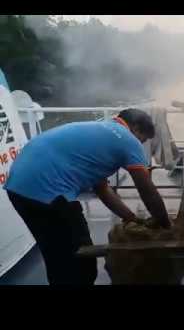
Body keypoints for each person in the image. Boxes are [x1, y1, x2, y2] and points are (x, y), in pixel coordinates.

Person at [3, 108, 171, 285]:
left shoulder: (98, 130)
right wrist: (165, 223)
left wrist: (131, 218)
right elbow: (146, 188)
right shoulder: (128, 139)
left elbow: (103, 190)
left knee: (55, 255)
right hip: (49, 191)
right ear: (136, 128)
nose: (140, 145)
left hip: (18, 188)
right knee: (81, 261)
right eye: (142, 140)